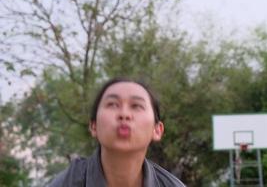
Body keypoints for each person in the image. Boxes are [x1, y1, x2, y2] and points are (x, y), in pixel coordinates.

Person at [49, 77, 185, 187]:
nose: (124, 114)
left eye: (136, 106)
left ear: (157, 130)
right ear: (94, 126)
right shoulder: (67, 183)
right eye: (112, 104)